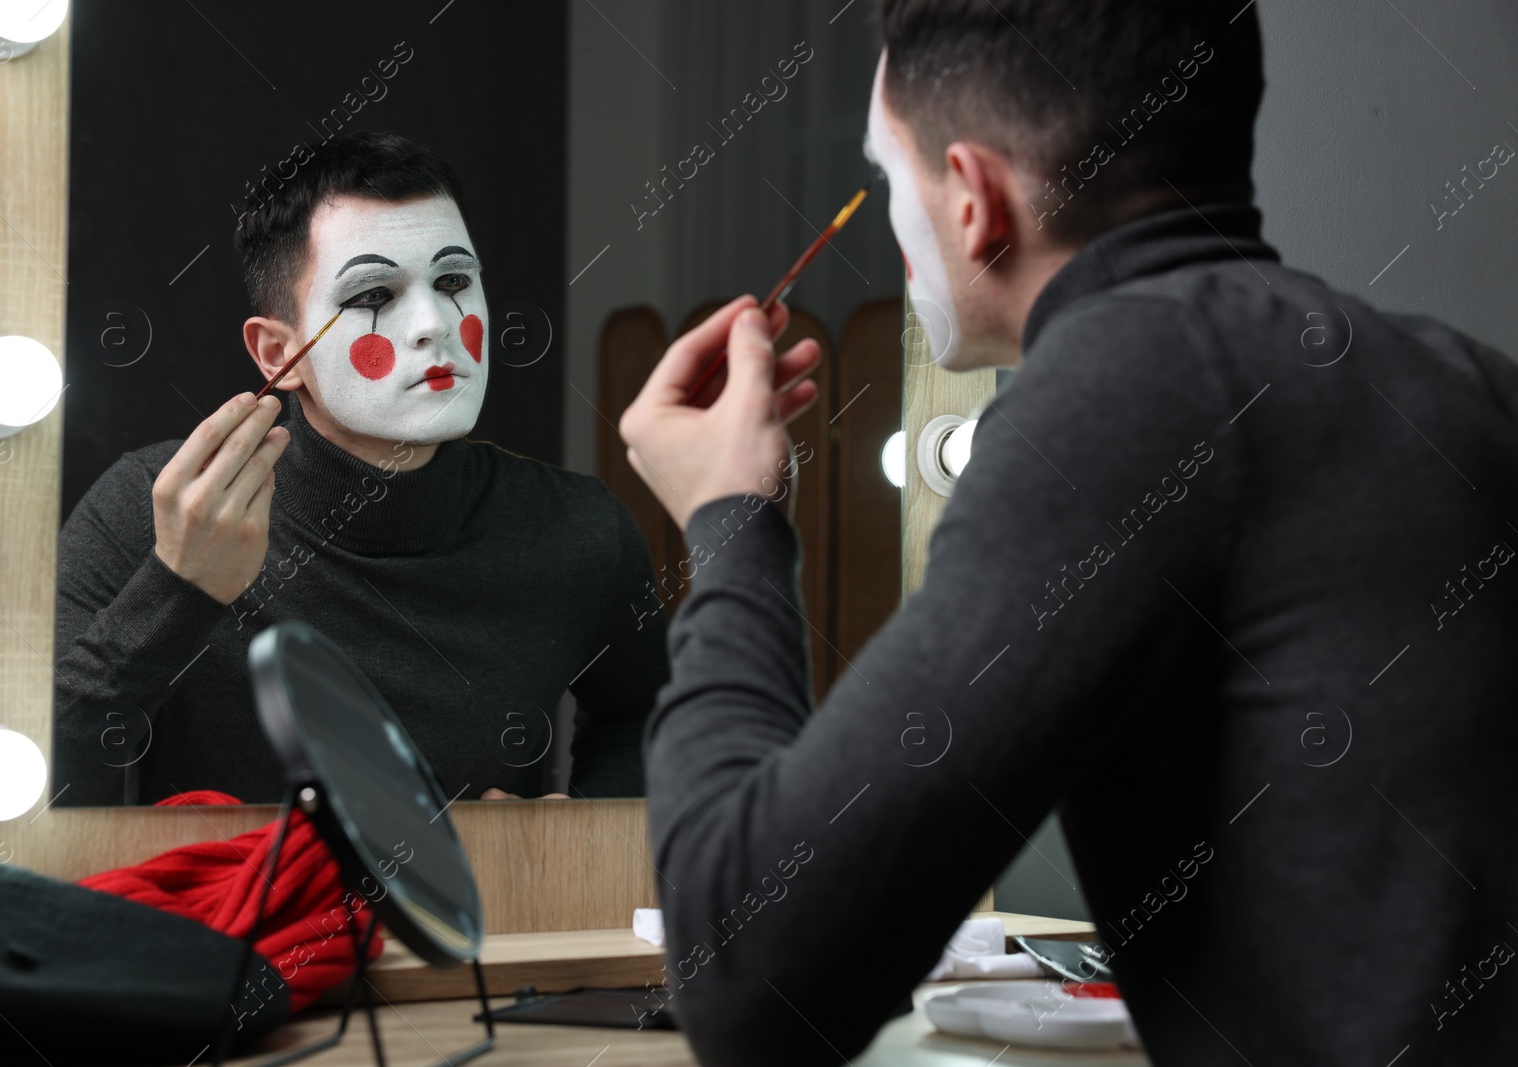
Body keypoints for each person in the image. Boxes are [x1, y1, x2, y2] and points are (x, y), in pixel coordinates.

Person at [619, 2, 1518, 1064]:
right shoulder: (1467, 383)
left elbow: (747, 972)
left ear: (974, 202)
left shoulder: (1128, 385)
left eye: (888, 171)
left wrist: (731, 516)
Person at [55, 132, 667, 806]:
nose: (433, 323)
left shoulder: (576, 528)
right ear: (277, 354)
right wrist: (179, 588)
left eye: (454, 281)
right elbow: (40, 779)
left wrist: (583, 826)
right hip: (222, 912)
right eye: (374, 294)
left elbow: (644, 719)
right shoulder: (154, 508)